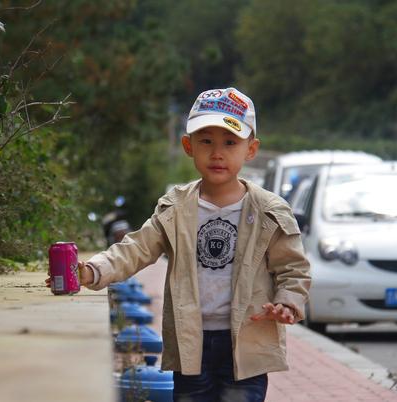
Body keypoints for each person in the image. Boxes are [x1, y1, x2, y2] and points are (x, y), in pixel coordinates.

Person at [46, 87, 311, 402]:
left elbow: (293, 267)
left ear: (250, 150)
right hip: (190, 343)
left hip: (248, 341)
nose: (217, 153)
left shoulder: (269, 210)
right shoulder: (175, 207)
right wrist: (92, 271)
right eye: (206, 141)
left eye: (230, 142)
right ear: (189, 146)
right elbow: (135, 248)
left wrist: (287, 302)